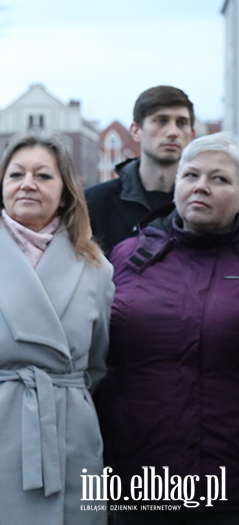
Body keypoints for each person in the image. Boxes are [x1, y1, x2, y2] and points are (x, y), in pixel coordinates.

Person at [0, 134, 113, 525]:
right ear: (0, 188)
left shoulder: (96, 269)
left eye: (43, 175)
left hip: (66, 432)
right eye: (16, 174)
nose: (28, 183)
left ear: (64, 193)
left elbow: (96, 363)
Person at [94, 132, 239, 522]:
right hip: (137, 476)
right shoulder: (129, 256)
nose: (201, 187)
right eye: (190, 175)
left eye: (220, 179)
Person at [85, 85, 195, 254]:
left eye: (181, 123)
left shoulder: (202, 203)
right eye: (161, 120)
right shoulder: (94, 203)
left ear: (192, 135)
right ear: (136, 131)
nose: (173, 132)